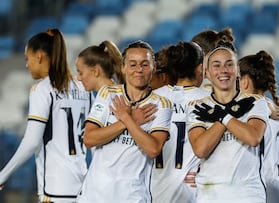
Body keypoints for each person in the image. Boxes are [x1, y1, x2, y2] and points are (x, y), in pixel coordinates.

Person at [0, 28, 92, 202]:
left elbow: (32, 142)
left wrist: (3, 175)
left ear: (39, 56)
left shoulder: (43, 89)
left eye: (28, 58)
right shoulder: (84, 88)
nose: (27, 65)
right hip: (84, 185)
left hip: (55, 188)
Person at [76, 40, 172, 203]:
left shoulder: (162, 104)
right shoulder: (108, 93)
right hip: (94, 195)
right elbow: (89, 139)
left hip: (133, 197)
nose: (138, 70)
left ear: (153, 68)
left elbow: (153, 148)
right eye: (133, 64)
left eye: (144, 64)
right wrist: (130, 120)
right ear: (123, 67)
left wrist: (126, 118)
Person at [187, 46, 268, 202]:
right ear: (207, 73)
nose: (223, 70)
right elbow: (200, 149)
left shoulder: (256, 102)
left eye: (229, 64)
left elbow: (253, 138)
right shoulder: (197, 106)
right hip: (209, 195)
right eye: (216, 65)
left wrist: (222, 115)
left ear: (237, 70)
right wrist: (229, 113)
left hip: (248, 195)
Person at [238, 51, 279, 203]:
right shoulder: (277, 110)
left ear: (245, 81)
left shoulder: (251, 112)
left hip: (270, 192)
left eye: (236, 79)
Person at [151, 41, 210, 203]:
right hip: (191, 191)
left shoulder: (153, 99)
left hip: (153, 190)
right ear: (200, 69)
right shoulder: (209, 101)